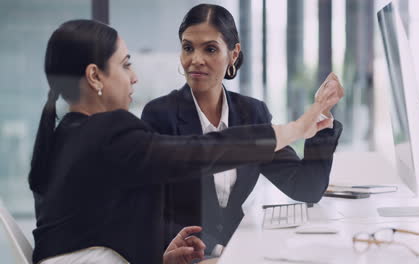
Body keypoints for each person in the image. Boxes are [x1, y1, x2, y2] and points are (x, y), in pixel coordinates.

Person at [30, 19, 341, 264]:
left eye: (210, 49)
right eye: (125, 64)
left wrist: (160, 257)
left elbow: (96, 224)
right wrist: (298, 127)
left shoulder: (69, 134)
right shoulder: (109, 129)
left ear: (233, 55)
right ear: (95, 76)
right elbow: (202, 152)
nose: (134, 77)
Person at [141, 3, 344, 256]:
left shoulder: (252, 114)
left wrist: (322, 120)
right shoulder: (160, 115)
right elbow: (147, 212)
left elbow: (305, 187)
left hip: (239, 249)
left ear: (233, 55)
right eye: (188, 47)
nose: (196, 59)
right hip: (187, 256)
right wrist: (210, 251)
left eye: (210, 49)